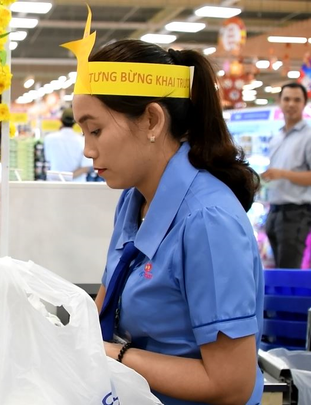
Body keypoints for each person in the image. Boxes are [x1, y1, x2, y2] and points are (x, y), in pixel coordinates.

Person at [71, 39, 264, 404]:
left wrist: (113, 355)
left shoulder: (208, 223)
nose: (87, 149)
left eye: (95, 130)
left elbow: (232, 384)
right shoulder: (134, 200)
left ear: (152, 120)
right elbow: (108, 296)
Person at [261, 82, 311, 268]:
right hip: (274, 211)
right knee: (277, 267)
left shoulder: (308, 136)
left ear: (304, 103)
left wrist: (282, 174)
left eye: (297, 100)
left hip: (297, 213)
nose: (291, 104)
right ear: (279, 102)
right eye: (287, 99)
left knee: (289, 270)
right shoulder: (277, 137)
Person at [43, 108, 92, 181]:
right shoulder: (82, 140)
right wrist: (67, 178)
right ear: (75, 122)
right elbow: (86, 167)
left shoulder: (49, 139)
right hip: (76, 183)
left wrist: (61, 178)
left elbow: (48, 159)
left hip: (55, 182)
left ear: (60, 120)